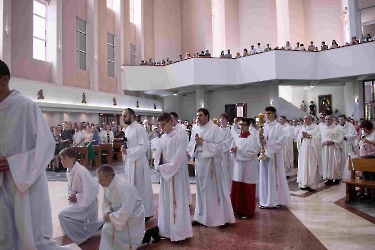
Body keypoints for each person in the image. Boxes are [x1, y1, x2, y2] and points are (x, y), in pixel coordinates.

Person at [0, 60, 68, 249]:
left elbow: (46, 145)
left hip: (24, 182)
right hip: (1, 184)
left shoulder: (25, 107)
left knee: (30, 235)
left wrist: (15, 163)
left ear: (4, 80)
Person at [187, 108, 235, 226]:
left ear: (207, 116)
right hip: (200, 164)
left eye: (201, 116)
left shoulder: (215, 129)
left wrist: (202, 143)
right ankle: (200, 217)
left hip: (211, 165)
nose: (198, 118)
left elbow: (219, 148)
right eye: (197, 116)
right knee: (201, 191)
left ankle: (218, 218)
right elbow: (191, 145)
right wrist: (192, 149)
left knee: (212, 191)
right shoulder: (195, 129)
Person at [153, 113, 193, 242]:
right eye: (160, 125)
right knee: (165, 203)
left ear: (170, 122)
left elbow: (179, 159)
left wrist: (164, 168)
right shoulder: (162, 138)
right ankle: (166, 230)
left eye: (163, 124)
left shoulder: (178, 138)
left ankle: (179, 232)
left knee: (176, 203)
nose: (161, 128)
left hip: (175, 176)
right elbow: (157, 156)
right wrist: (157, 165)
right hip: (166, 176)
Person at [58, 148, 104, 245]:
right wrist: (73, 197)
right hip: (79, 201)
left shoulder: (81, 171)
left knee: (62, 214)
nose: (62, 161)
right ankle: (78, 234)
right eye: (61, 159)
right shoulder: (70, 171)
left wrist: (78, 197)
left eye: (64, 159)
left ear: (72, 159)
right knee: (65, 215)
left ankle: (78, 236)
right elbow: (71, 189)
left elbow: (93, 189)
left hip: (88, 203)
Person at [97, 165, 147, 249]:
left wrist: (112, 217)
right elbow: (106, 201)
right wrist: (106, 211)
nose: (99, 182)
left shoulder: (122, 186)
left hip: (133, 215)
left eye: (101, 180)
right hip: (119, 215)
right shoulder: (108, 185)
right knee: (105, 225)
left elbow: (127, 209)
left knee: (107, 229)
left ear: (109, 177)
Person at [122, 108, 155, 221]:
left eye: (125, 116)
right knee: (131, 187)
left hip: (139, 162)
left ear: (132, 116)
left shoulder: (139, 128)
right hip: (130, 162)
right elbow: (128, 144)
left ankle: (145, 213)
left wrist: (130, 151)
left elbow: (145, 145)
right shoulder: (128, 129)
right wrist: (124, 149)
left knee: (140, 187)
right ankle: (135, 211)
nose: (123, 118)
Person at [258, 106, 291, 209]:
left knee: (274, 178)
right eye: (266, 113)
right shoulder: (263, 127)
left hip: (274, 157)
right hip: (265, 155)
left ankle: (275, 201)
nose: (267, 115)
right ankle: (264, 200)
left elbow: (281, 141)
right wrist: (259, 138)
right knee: (264, 178)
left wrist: (266, 143)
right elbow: (258, 141)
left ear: (274, 114)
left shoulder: (278, 127)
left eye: (269, 113)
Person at [230, 118, 260, 218]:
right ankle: (237, 210)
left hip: (249, 166)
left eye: (243, 125)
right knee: (238, 187)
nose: (241, 127)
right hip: (238, 165)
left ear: (248, 126)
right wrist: (233, 151)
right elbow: (232, 150)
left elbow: (253, 152)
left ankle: (247, 211)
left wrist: (238, 152)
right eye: (240, 125)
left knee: (247, 188)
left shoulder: (253, 138)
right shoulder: (237, 137)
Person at [170, 112, 192, 205]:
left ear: (176, 119)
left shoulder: (181, 130)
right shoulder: (171, 130)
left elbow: (184, 144)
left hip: (181, 158)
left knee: (182, 180)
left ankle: (185, 201)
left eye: (171, 119)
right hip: (173, 159)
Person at [297, 115, 322, 191]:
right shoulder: (302, 128)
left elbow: (319, 139)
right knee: (303, 166)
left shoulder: (316, 128)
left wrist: (309, 136)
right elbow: (298, 140)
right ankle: (304, 184)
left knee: (312, 166)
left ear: (311, 119)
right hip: (303, 151)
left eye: (308, 118)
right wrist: (301, 138)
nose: (306, 120)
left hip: (312, 150)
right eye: (304, 119)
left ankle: (312, 185)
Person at [320, 115, 344, 185]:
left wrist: (333, 142)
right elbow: (319, 138)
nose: (327, 121)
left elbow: (341, 138)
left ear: (332, 120)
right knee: (327, 163)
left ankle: (337, 178)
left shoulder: (337, 129)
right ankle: (329, 178)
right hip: (325, 149)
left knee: (335, 163)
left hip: (334, 148)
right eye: (326, 119)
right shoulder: (322, 129)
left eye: (329, 119)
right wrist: (323, 142)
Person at [220, 113, 233, 193]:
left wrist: (221, 145)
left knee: (227, 172)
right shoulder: (217, 130)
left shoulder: (230, 130)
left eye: (223, 119)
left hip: (227, 154)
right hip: (219, 154)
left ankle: (228, 190)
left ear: (226, 120)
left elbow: (230, 141)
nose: (221, 120)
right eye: (220, 118)